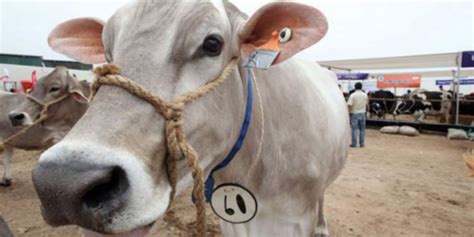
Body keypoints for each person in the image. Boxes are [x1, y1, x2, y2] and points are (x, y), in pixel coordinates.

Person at [347, 82, 368, 148]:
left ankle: (354, 143)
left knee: (354, 129)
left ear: (355, 87)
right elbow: (367, 104)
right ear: (361, 87)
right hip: (362, 113)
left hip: (354, 113)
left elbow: (349, 105)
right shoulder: (365, 95)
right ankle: (362, 143)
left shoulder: (353, 95)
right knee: (362, 129)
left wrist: (349, 113)